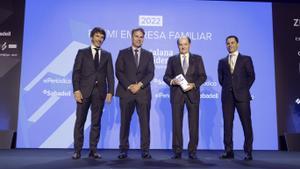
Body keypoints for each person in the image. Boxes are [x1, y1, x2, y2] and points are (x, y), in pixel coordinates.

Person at [71, 27, 114, 159]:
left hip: (99, 92)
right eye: (97, 36)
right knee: (80, 121)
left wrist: (110, 91)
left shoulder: (107, 55)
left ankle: (93, 150)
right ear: (91, 37)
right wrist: (76, 90)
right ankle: (77, 150)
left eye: (102, 37)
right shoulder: (82, 52)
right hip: (83, 92)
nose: (99, 39)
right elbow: (76, 72)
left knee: (96, 122)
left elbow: (110, 75)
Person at [163, 36, 207, 159]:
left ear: (189, 45)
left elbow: (203, 76)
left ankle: (192, 151)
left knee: (193, 124)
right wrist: (172, 81)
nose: (183, 46)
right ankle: (177, 151)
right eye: (181, 44)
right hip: (177, 95)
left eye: (185, 44)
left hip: (192, 95)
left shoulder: (198, 59)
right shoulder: (172, 59)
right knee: (177, 124)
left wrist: (194, 84)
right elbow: (166, 76)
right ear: (178, 46)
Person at [115, 27, 154, 159]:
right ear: (132, 37)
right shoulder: (122, 53)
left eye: (141, 37)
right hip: (126, 93)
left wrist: (140, 85)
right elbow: (118, 72)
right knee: (125, 122)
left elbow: (151, 73)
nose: (139, 39)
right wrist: (129, 85)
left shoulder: (148, 54)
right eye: (136, 36)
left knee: (145, 123)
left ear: (144, 38)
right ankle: (123, 149)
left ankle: (145, 150)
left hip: (143, 93)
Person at [218, 35, 255, 161]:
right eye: (228, 43)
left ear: (237, 44)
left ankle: (248, 151)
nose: (230, 45)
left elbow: (251, 76)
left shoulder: (246, 59)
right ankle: (228, 151)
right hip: (227, 97)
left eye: (232, 43)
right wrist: (230, 89)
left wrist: (242, 89)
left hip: (242, 96)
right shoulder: (222, 61)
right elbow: (221, 79)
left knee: (246, 124)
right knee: (227, 124)